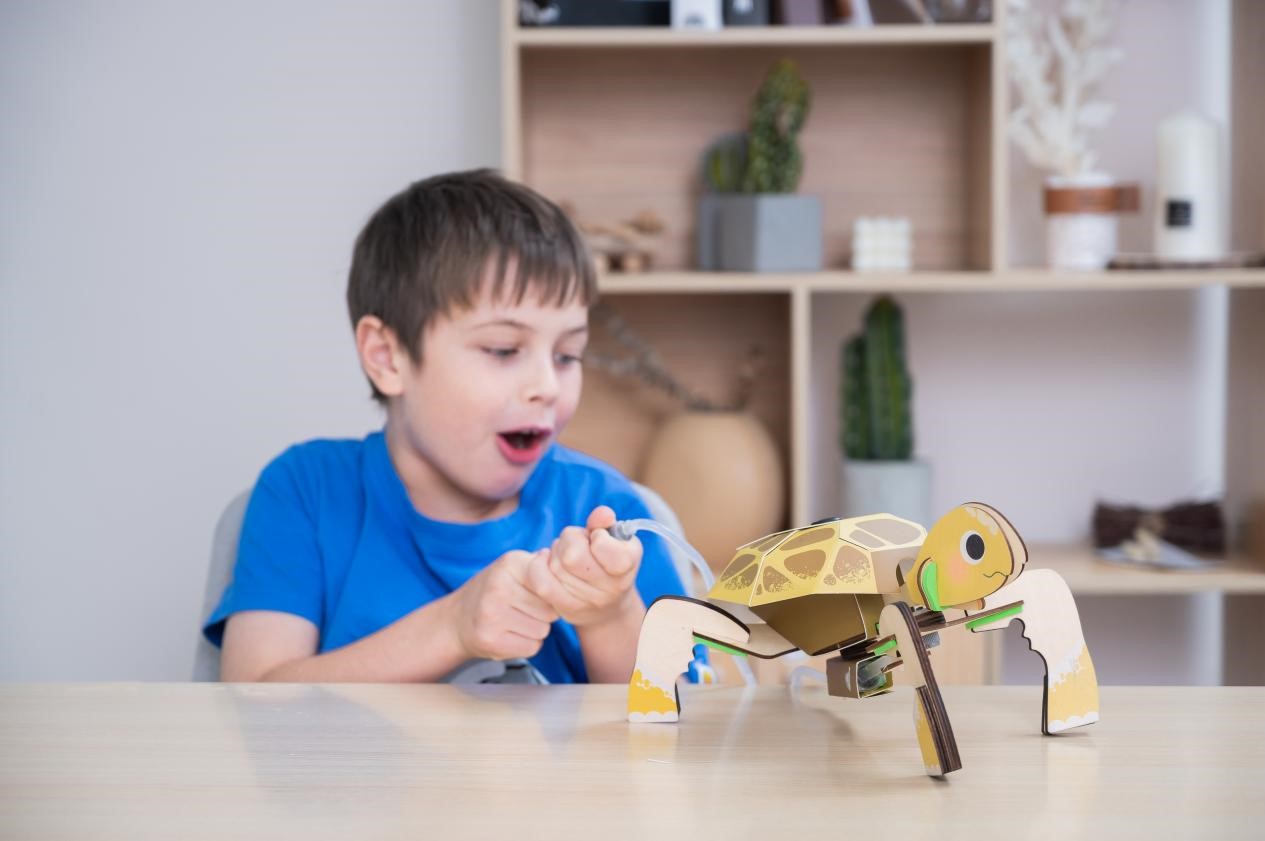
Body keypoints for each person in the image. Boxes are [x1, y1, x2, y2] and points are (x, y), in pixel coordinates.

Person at [203, 170, 684, 684]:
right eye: (503, 350)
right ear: (387, 358)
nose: (547, 384)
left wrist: (608, 616)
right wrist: (450, 628)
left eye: (568, 355)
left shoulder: (606, 516)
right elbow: (251, 706)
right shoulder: (306, 493)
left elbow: (675, 720)